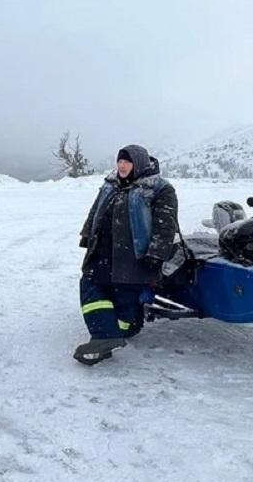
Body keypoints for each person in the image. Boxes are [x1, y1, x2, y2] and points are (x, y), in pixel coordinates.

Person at [74, 145, 178, 365]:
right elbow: (96, 211)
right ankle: (104, 336)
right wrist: (87, 233)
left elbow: (165, 227)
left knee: (124, 306)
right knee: (90, 286)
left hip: (134, 257)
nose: (122, 166)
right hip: (102, 251)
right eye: (120, 161)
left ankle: (121, 329)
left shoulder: (159, 189)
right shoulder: (110, 185)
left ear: (138, 164)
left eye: (127, 162)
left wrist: (156, 253)